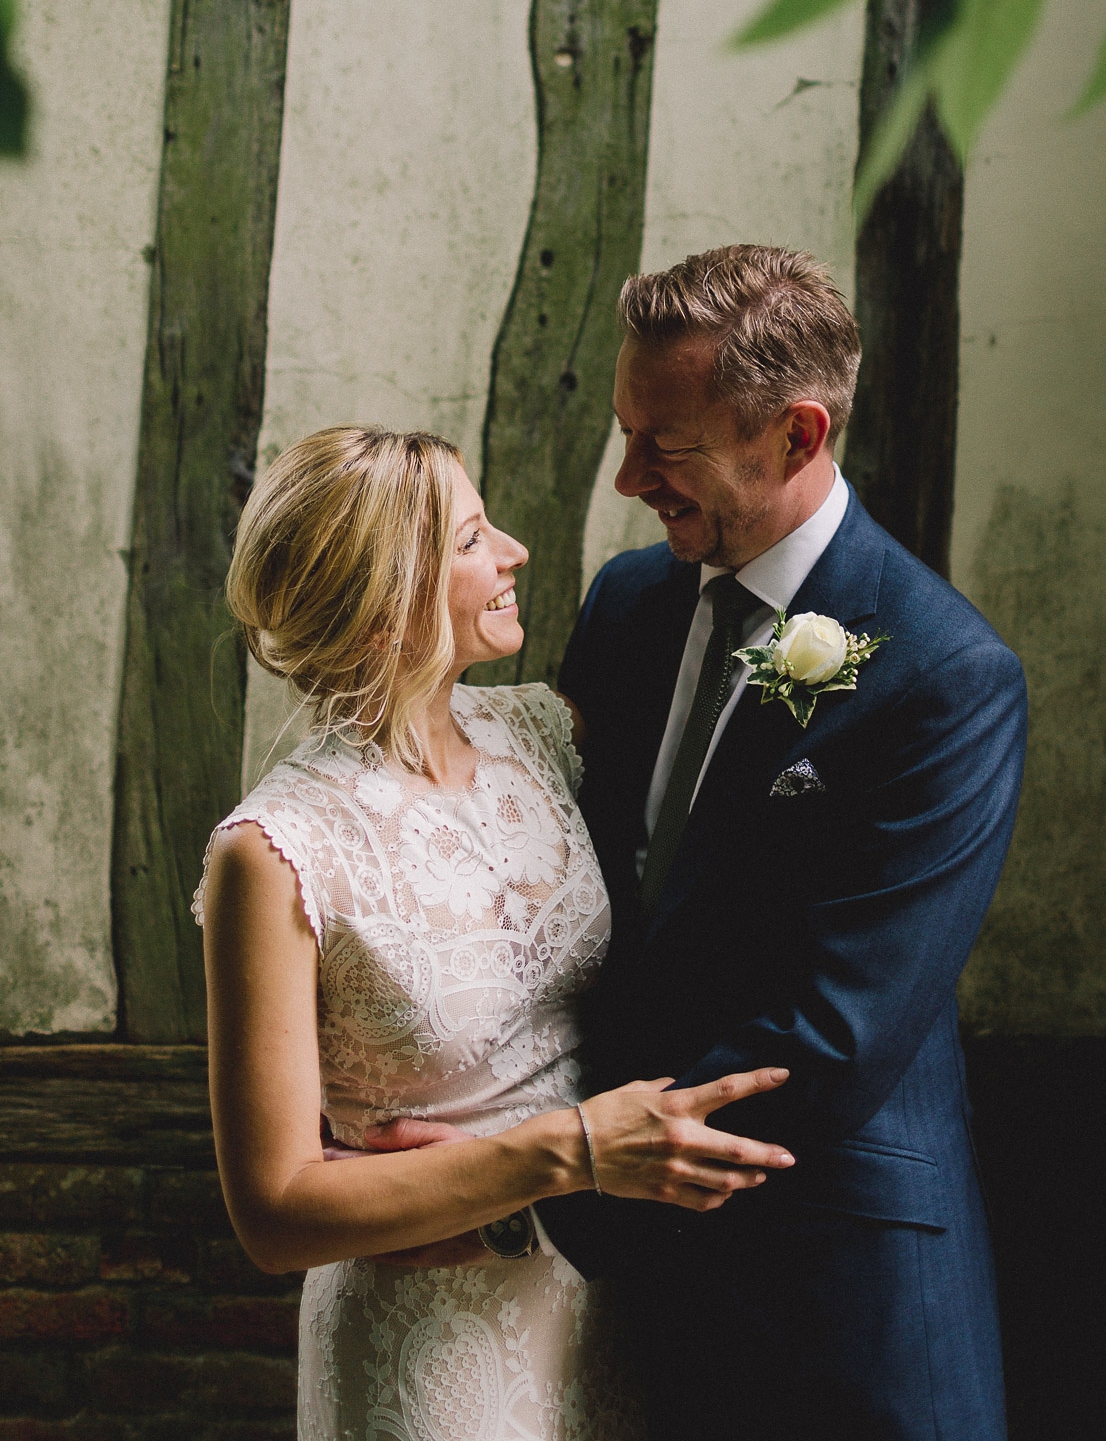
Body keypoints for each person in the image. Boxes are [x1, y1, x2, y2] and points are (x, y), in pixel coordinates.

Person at [195, 424, 794, 1441]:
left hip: (608, 1302)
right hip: (430, 1343)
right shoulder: (273, 850)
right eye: (473, 540)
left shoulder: (543, 733)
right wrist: (570, 1153)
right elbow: (276, 1211)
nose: (514, 552)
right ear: (389, 606)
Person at [529, 244, 1028, 1439]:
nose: (626, 476)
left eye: (668, 445)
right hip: (627, 1286)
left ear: (798, 436)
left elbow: (839, 1031)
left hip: (838, 1282)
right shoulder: (626, 607)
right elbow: (572, 889)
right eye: (624, 430)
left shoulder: (947, 676)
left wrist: (566, 1174)